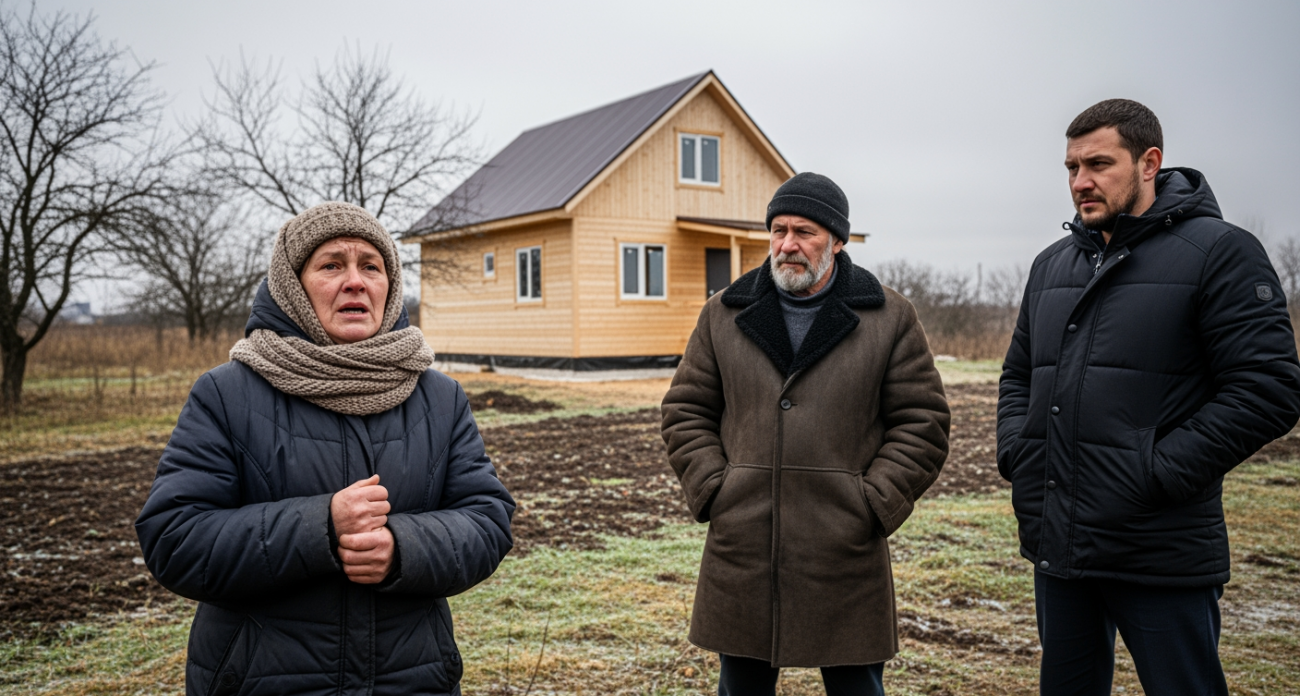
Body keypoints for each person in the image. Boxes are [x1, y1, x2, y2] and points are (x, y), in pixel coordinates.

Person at [136, 202, 514, 696]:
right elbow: (175, 539)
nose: (355, 281)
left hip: (413, 680)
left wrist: (403, 548)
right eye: (332, 264)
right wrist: (321, 527)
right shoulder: (226, 395)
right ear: (292, 286)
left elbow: (487, 520)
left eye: (371, 267)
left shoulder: (439, 398)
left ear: (389, 285)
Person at [997, 99, 1300, 695]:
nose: (1080, 182)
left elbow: (1269, 388)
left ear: (1148, 162)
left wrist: (1153, 473)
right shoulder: (1052, 265)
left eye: (1098, 164)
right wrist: (1020, 453)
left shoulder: (1220, 252)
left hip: (1159, 549)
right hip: (1061, 545)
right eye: (1070, 167)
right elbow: (1017, 377)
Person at [662, 173, 950, 696]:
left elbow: (922, 423)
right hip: (743, 546)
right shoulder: (723, 314)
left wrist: (871, 502)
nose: (787, 244)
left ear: (838, 241)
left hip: (845, 549)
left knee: (857, 689)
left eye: (805, 232)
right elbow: (686, 411)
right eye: (778, 230)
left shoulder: (888, 317)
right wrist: (717, 490)